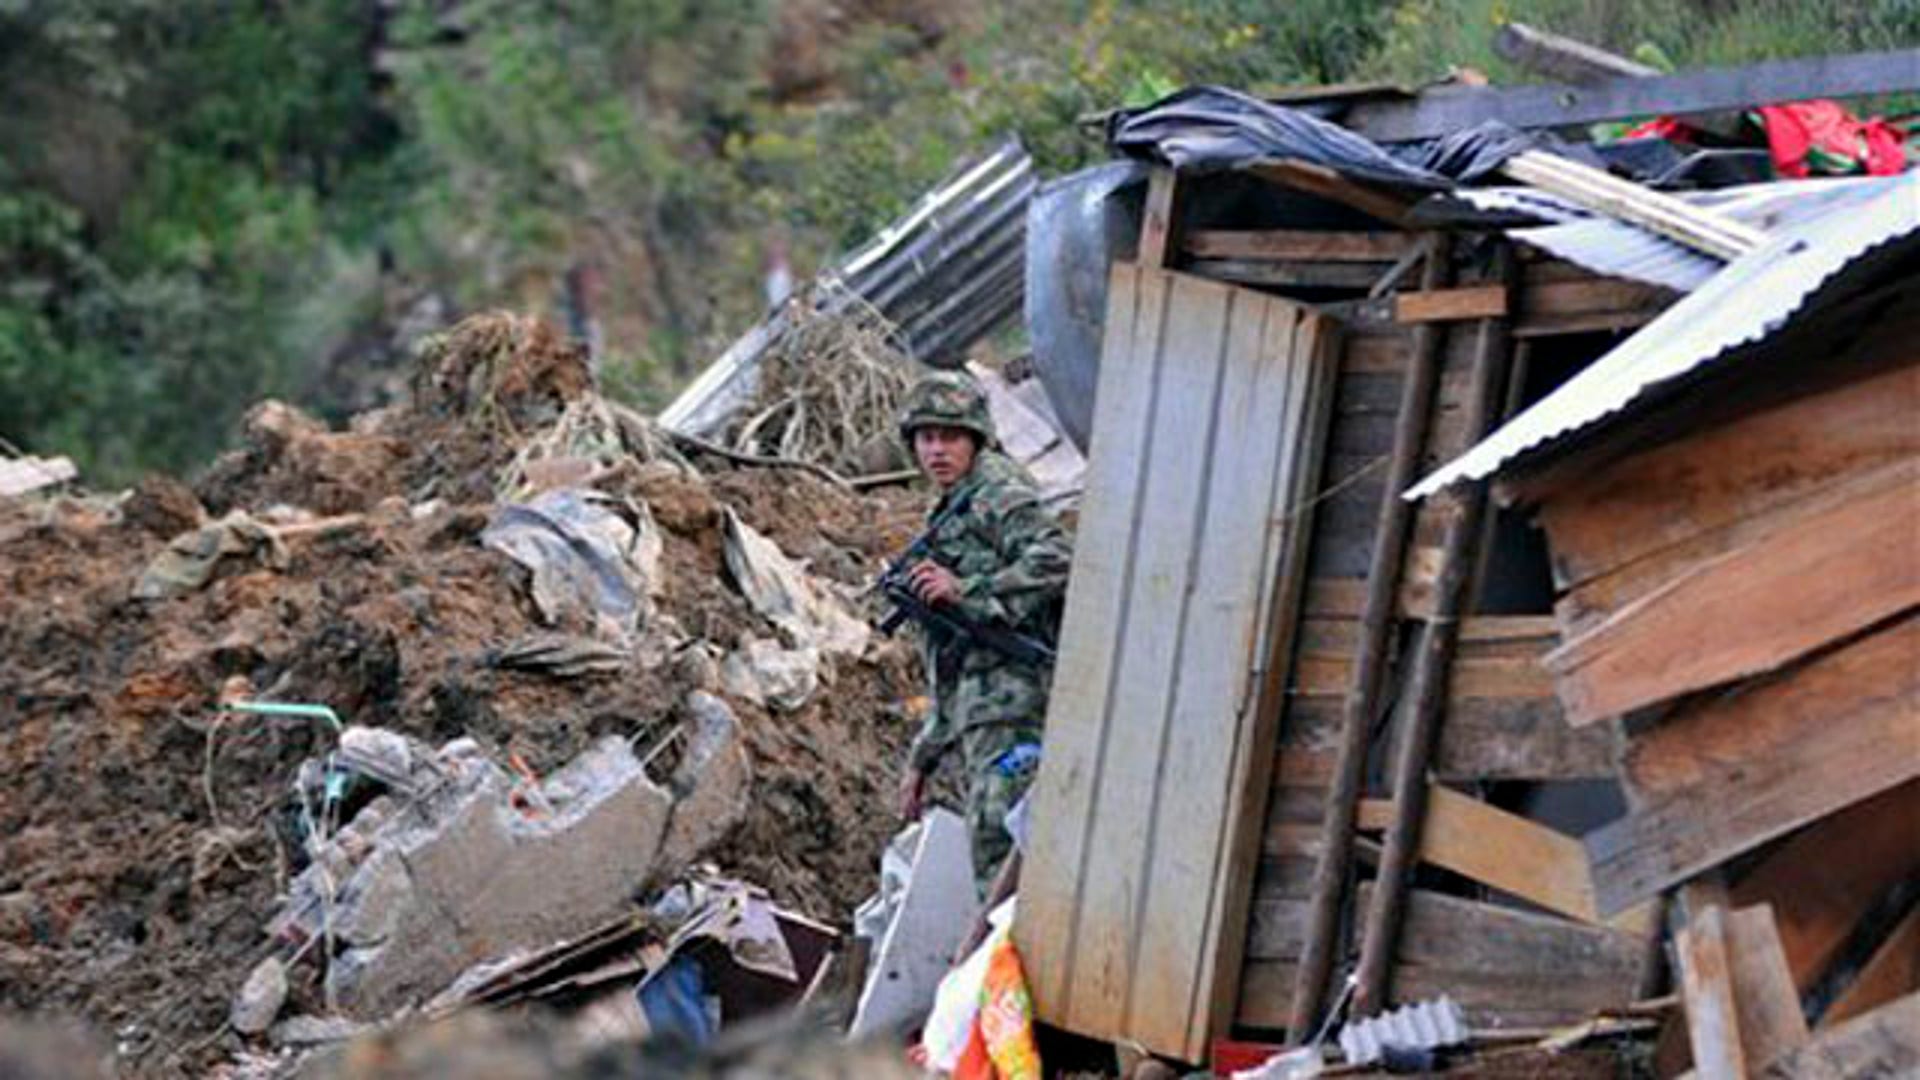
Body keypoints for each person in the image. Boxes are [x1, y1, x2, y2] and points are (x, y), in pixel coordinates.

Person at [891, 371, 1072, 892]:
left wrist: (968, 589)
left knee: (1007, 853)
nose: (937, 450)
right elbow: (952, 652)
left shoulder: (996, 489)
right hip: (985, 719)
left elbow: (1057, 557)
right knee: (995, 853)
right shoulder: (951, 508)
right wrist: (925, 756)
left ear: (975, 438)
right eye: (926, 438)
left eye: (950, 436)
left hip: (1021, 708)